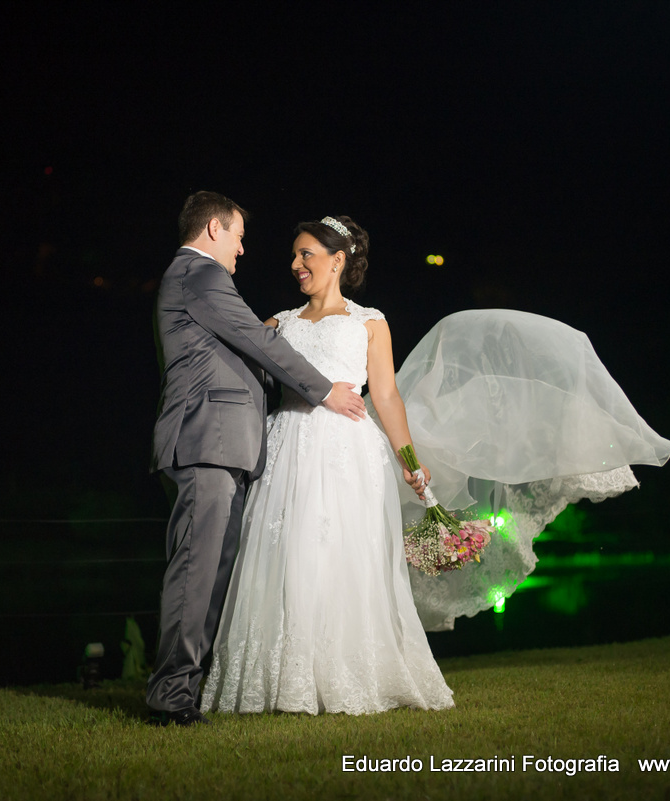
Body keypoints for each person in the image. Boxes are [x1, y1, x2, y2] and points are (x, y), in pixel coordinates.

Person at [201, 215, 455, 715]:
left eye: (307, 255)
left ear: (338, 260)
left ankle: (353, 674)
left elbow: (385, 395)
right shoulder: (278, 323)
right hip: (287, 446)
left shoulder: (370, 322)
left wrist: (410, 461)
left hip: (348, 454)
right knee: (287, 555)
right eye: (295, 256)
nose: (296, 265)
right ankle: (281, 682)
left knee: (344, 558)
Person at [146, 193, 377, 727]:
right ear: (211, 230)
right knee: (196, 571)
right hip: (203, 440)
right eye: (237, 236)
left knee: (213, 570)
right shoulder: (200, 276)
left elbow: (245, 345)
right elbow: (254, 337)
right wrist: (324, 392)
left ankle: (185, 689)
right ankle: (170, 697)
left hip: (221, 444)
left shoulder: (200, 280)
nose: (243, 249)